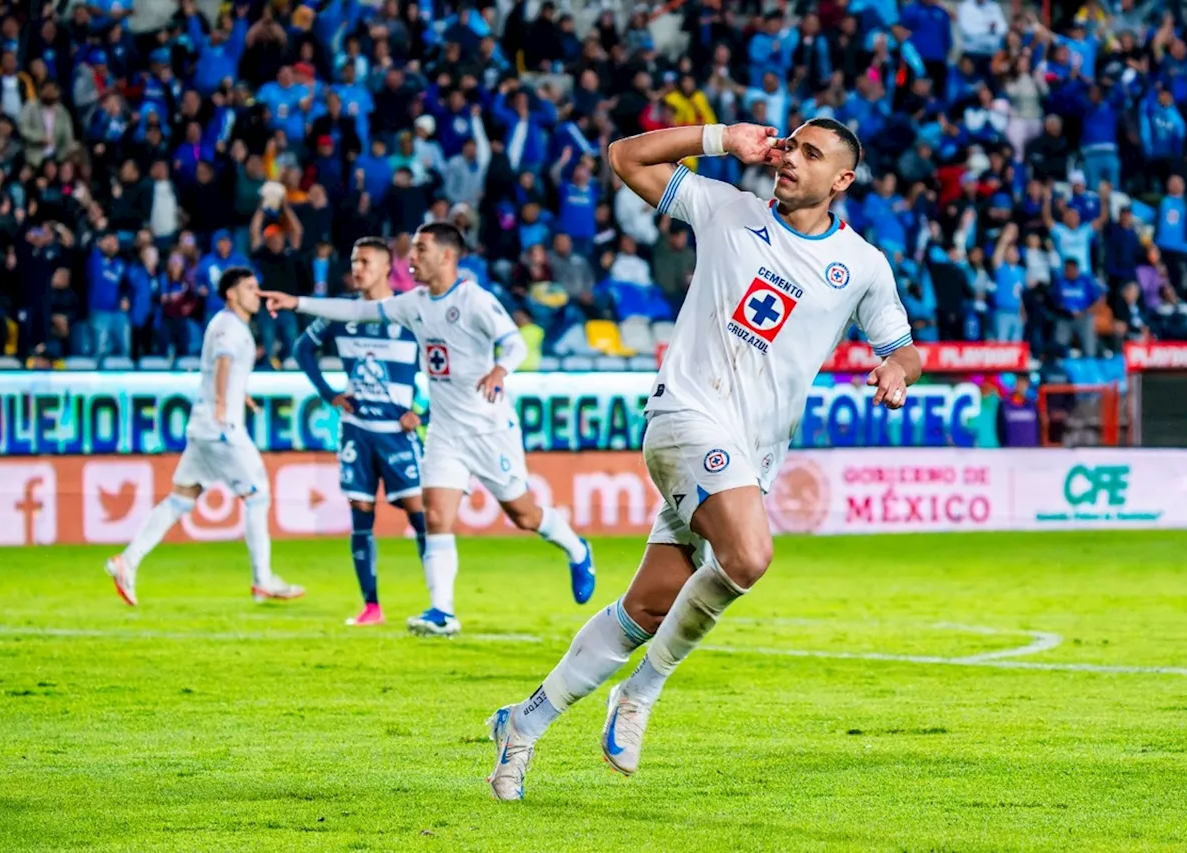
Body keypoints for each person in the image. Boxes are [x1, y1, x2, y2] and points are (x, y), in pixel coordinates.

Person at [482, 119, 921, 800]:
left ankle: (523, 721)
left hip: (749, 455)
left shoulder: (863, 265)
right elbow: (624, 156)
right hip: (686, 415)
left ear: (842, 180)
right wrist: (721, 137)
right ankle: (640, 692)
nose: (791, 161)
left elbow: (903, 344)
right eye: (790, 146)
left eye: (811, 155)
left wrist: (897, 369)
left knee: (649, 608)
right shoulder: (726, 208)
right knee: (748, 555)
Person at [261, 223, 596, 637]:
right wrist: (297, 303)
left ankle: (578, 549)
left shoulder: (474, 299)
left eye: (420, 249)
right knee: (436, 516)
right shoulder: (413, 303)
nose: (411, 258)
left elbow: (515, 344)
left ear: (447, 256)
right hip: (444, 432)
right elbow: (358, 310)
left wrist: (498, 370)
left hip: (488, 429)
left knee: (524, 515)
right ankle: (443, 611)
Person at [105, 268, 304, 605]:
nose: (257, 293)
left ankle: (128, 561)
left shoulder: (229, 324)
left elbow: (222, 370)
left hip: (205, 427)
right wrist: (224, 405)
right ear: (231, 293)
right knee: (258, 495)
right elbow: (223, 363)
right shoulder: (229, 326)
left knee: (182, 497)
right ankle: (263, 579)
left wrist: (241, 396)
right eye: (250, 288)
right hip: (220, 428)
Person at [291, 237, 428, 626]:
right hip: (356, 430)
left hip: (396, 433)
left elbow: (445, 363)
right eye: (353, 260)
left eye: (365, 261)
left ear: (387, 267)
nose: (357, 268)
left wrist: (424, 412)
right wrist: (329, 394)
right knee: (361, 513)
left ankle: (439, 601)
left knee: (420, 515)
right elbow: (303, 350)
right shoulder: (341, 312)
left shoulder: (408, 312)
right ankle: (371, 606)